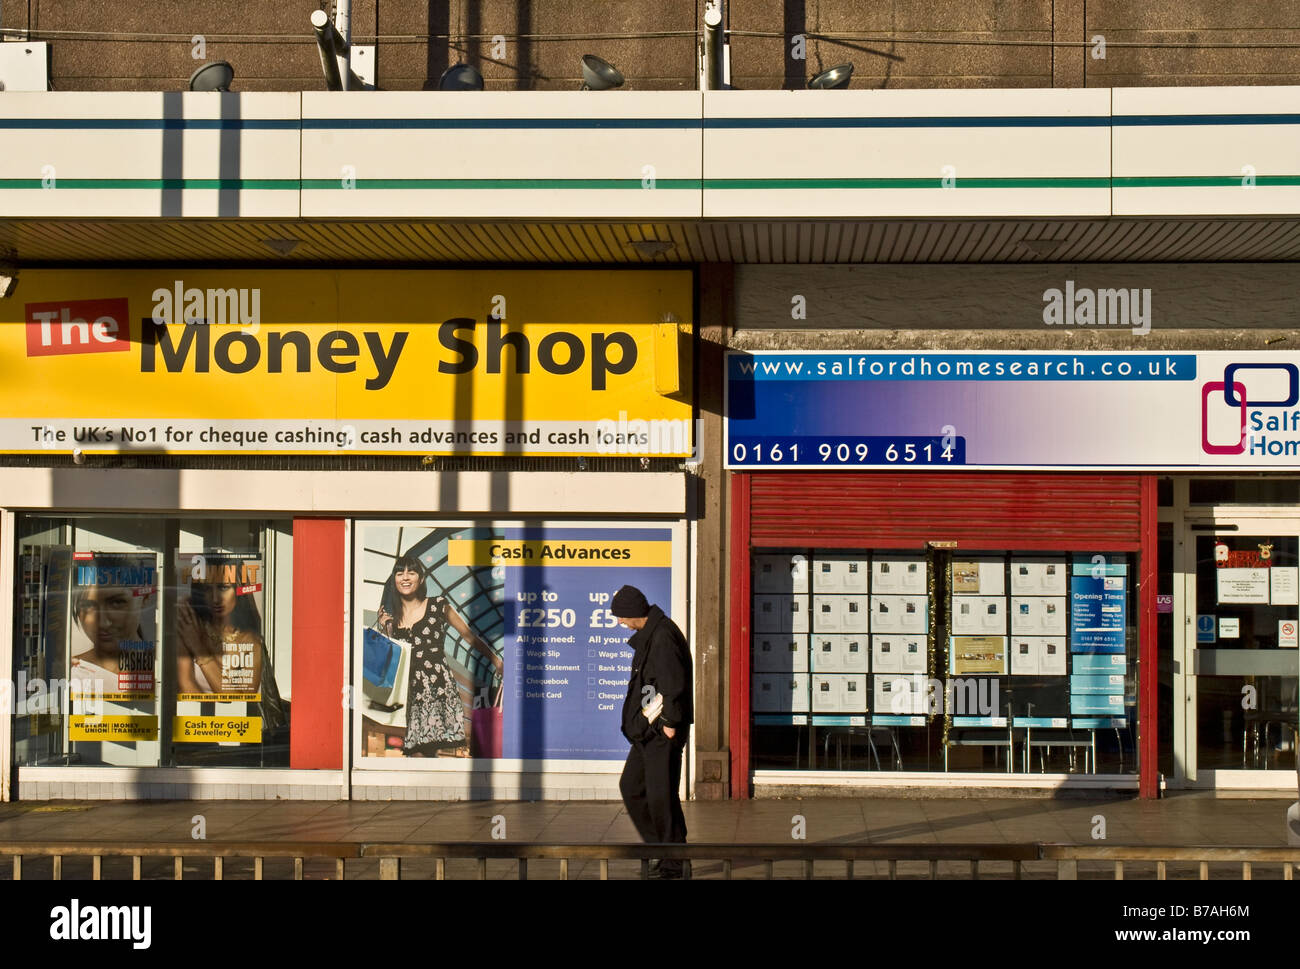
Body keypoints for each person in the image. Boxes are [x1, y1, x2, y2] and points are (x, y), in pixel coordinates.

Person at [614, 584, 693, 880]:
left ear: (634, 613)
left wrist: (671, 723)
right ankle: (663, 850)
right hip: (649, 731)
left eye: (621, 617)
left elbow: (675, 682)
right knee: (632, 788)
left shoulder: (662, 636)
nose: (619, 622)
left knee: (662, 797)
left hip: (662, 732)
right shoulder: (654, 634)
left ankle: (675, 862)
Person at [375, 554, 477, 757]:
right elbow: (390, 658)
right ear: (394, 579)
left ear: (420, 579)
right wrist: (385, 628)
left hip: (437, 689)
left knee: (427, 751)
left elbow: (468, 636)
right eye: (399, 573)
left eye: (411, 572)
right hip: (409, 691)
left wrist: (496, 661)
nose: (405, 577)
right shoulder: (391, 619)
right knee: (417, 752)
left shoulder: (438, 605)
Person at [176, 569, 286, 728]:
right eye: (207, 589)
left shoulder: (251, 642)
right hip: (198, 727)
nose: (215, 598)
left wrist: (200, 650)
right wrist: (208, 726)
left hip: (239, 730)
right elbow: (186, 686)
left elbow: (241, 703)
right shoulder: (191, 627)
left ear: (238, 590)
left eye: (223, 587)